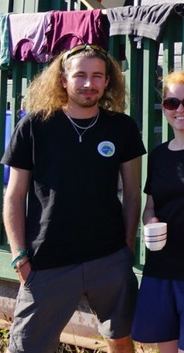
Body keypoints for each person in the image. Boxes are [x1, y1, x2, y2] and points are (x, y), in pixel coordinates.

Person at [1, 44, 144, 353]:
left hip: (108, 258)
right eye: (80, 75)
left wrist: (126, 250)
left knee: (120, 340)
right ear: (63, 79)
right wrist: (18, 255)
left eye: (97, 76)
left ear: (108, 82)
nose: (89, 83)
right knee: (28, 347)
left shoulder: (122, 127)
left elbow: (133, 193)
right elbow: (14, 195)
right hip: (47, 260)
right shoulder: (34, 127)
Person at [131, 69, 184, 352]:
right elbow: (150, 206)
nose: (181, 110)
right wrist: (150, 220)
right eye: (171, 103)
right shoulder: (158, 156)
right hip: (160, 269)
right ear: (164, 108)